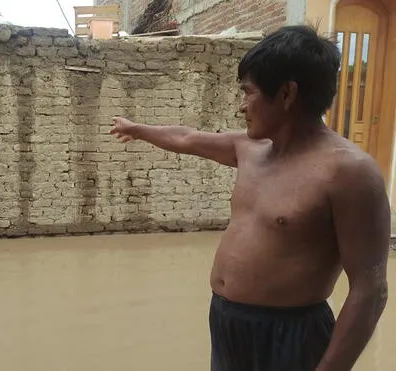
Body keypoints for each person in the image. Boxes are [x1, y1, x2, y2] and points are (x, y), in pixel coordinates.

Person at [110, 25, 390, 371]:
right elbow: (186, 138)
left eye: (248, 93)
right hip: (228, 321)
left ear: (287, 94)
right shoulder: (249, 149)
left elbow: (369, 289)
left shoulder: (349, 173)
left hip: (291, 334)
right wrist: (137, 129)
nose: (242, 106)